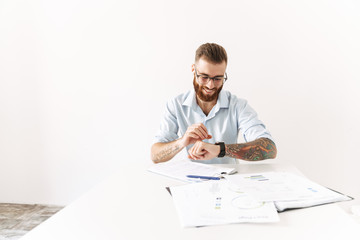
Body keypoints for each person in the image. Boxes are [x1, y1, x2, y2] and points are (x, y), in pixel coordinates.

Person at [151, 43, 277, 164]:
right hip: (190, 181)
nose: (210, 85)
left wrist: (220, 150)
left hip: (229, 182)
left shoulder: (238, 106)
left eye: (218, 79)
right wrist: (182, 142)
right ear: (193, 70)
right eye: (204, 77)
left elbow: (270, 149)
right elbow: (155, 156)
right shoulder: (175, 105)